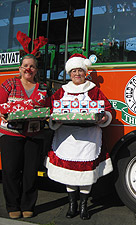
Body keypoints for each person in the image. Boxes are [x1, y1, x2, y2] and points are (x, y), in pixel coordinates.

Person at [45, 53, 113, 220]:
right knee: (70, 171)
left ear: (85, 73)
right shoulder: (62, 91)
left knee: (86, 171)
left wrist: (104, 117)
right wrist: (53, 119)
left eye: (80, 71)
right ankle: (72, 205)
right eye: (74, 71)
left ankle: (83, 206)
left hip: (89, 137)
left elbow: (108, 109)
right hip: (67, 137)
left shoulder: (94, 90)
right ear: (69, 74)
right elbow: (50, 109)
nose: (77, 74)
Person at [0, 54, 49, 219]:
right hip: (10, 134)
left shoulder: (42, 88)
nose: (29, 69)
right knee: (11, 171)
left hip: (34, 135)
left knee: (30, 173)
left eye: (32, 66)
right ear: (20, 68)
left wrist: (45, 115)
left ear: (36, 70)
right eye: (25, 65)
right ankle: (13, 205)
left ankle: (27, 205)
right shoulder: (9, 83)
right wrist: (4, 112)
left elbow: (48, 107)